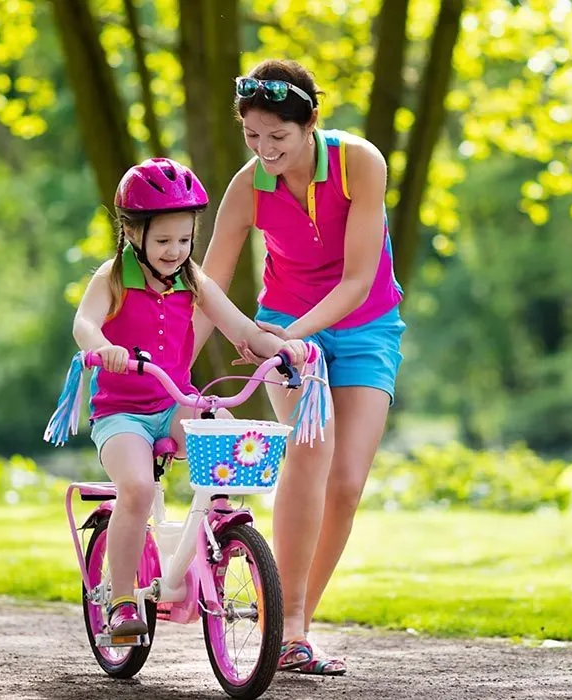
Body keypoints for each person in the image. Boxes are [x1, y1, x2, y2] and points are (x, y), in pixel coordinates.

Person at [195, 59, 406, 675]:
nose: (264, 151)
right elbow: (210, 280)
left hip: (364, 327)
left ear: (310, 123)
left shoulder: (360, 163)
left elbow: (358, 278)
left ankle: (287, 622)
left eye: (277, 138)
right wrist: (174, 363)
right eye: (252, 137)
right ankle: (291, 632)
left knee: (346, 483)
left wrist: (285, 335)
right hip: (285, 324)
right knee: (310, 453)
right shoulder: (248, 186)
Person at [55, 157, 307, 637]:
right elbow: (83, 323)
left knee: (226, 447)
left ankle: (218, 536)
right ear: (133, 234)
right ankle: (124, 598)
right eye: (164, 240)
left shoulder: (194, 280)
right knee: (138, 489)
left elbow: (241, 328)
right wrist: (102, 348)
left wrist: (285, 350)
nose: (176, 251)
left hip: (174, 403)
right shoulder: (111, 278)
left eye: (185, 239)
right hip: (121, 414)